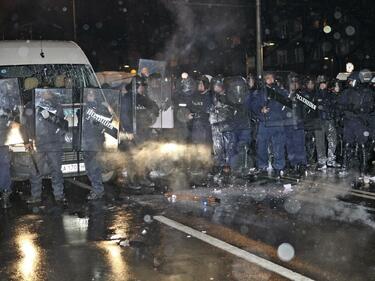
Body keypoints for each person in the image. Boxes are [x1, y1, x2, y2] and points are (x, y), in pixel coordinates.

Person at [26, 89, 67, 204]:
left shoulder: (56, 106)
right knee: (35, 171)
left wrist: (59, 135)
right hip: (39, 143)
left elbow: (62, 123)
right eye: (42, 92)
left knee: (56, 171)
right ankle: (36, 196)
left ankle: (59, 195)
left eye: (47, 92)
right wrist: (28, 140)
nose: (45, 94)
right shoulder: (32, 105)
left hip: (53, 143)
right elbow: (27, 124)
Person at [337, 72, 374, 176]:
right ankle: (345, 166)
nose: (349, 82)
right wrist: (344, 111)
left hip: (360, 122)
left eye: (351, 81)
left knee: (362, 144)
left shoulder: (367, 92)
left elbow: (370, 106)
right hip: (349, 121)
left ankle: (363, 168)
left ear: (357, 81)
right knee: (347, 143)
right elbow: (340, 104)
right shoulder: (347, 92)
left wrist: (361, 109)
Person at [251, 72, 287, 177]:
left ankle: (279, 167)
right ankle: (262, 166)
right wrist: (260, 110)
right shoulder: (259, 93)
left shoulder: (280, 91)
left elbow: (287, 104)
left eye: (271, 78)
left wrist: (282, 113)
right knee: (261, 146)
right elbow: (253, 105)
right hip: (264, 123)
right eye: (267, 78)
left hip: (277, 123)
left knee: (278, 146)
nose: (269, 80)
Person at [0, 79, 28, 208]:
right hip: (3, 141)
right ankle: (5, 193)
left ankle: (5, 193)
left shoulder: (6, 101)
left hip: (2, 141)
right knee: (4, 166)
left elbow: (14, 119)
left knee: (4, 167)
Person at [81, 88, 111, 200]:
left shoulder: (100, 106)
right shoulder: (84, 107)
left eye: (91, 94)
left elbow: (108, 120)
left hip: (96, 141)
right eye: (88, 94)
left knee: (94, 168)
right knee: (88, 168)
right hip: (86, 141)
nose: (89, 96)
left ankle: (98, 190)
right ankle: (97, 189)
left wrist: (97, 115)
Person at [209, 75, 236, 178]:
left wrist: (223, 108)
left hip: (226, 124)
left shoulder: (229, 95)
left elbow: (233, 109)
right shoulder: (213, 96)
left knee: (229, 146)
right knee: (217, 147)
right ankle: (219, 166)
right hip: (215, 124)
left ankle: (229, 166)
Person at [283, 73, 307, 177]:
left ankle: (301, 164)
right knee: (290, 145)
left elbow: (309, 107)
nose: (294, 84)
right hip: (288, 125)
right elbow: (280, 109)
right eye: (292, 82)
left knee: (299, 145)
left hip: (298, 124)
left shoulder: (300, 95)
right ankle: (293, 164)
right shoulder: (284, 95)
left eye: (295, 82)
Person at [315, 75, 340, 168]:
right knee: (320, 141)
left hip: (329, 120)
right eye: (321, 83)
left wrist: (336, 93)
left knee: (333, 140)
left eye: (324, 83)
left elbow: (336, 103)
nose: (322, 85)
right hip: (318, 120)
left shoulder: (330, 94)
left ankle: (331, 160)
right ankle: (321, 161)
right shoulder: (314, 94)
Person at [301, 76, 321, 168]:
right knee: (308, 140)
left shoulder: (317, 93)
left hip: (316, 120)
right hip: (307, 120)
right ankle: (309, 158)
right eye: (308, 83)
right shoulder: (302, 94)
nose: (310, 85)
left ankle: (314, 158)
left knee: (316, 140)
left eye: (311, 83)